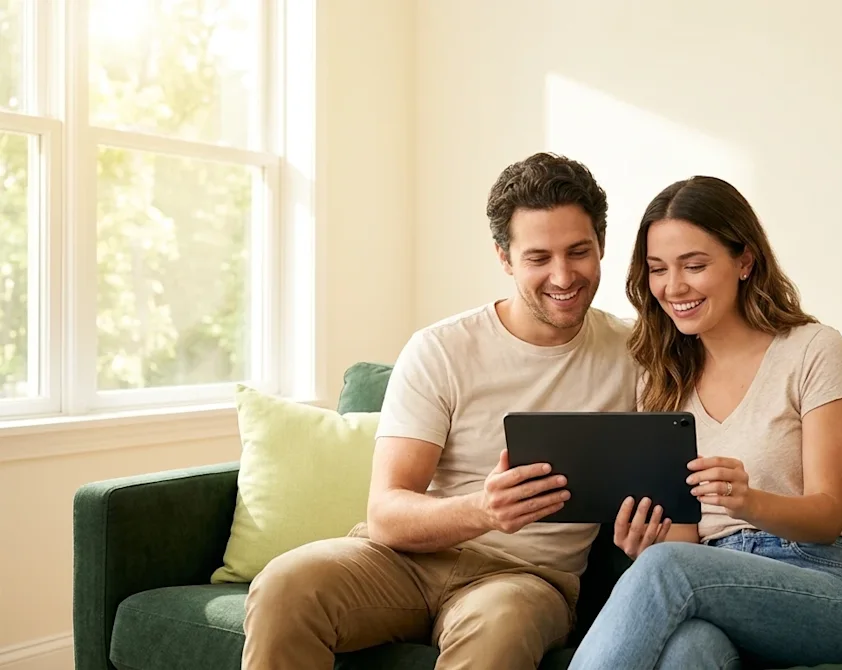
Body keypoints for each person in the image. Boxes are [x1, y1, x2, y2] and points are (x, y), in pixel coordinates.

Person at [241, 152, 640, 670]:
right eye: (538, 257)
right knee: (285, 585)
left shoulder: (637, 355)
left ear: (602, 246)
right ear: (504, 257)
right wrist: (483, 510)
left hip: (526, 580)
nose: (562, 275)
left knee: (499, 627)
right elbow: (385, 514)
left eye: (578, 252)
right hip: (403, 563)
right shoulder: (442, 349)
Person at [567, 176, 842, 670]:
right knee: (687, 651)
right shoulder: (661, 380)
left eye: (694, 265)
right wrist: (645, 543)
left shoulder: (814, 350)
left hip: (828, 588)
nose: (673, 287)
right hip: (715, 590)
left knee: (668, 570)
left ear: (744, 261)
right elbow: (685, 545)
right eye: (657, 270)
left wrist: (748, 501)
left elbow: (826, 518)